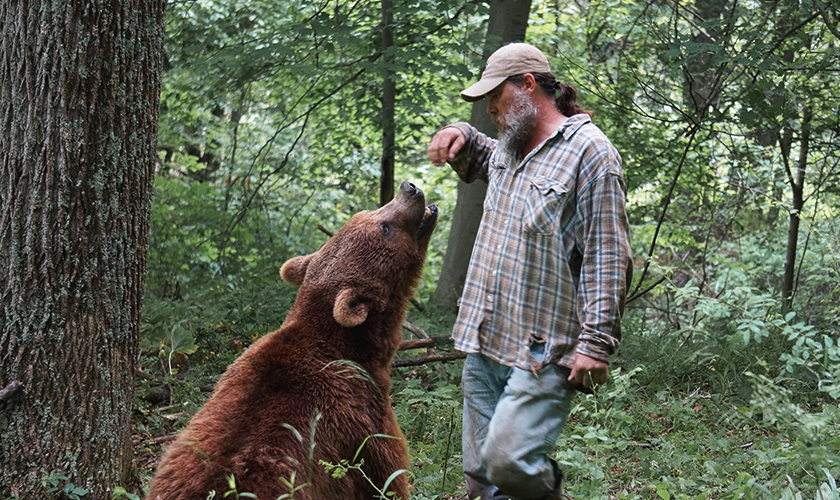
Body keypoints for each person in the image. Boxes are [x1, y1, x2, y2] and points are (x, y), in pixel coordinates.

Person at [427, 43, 633, 500]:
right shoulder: (511, 144)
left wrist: (596, 344)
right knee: (481, 478)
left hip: (542, 350)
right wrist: (457, 131)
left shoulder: (591, 154)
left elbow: (607, 254)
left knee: (508, 464)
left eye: (494, 96)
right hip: (486, 340)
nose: (490, 108)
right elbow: (481, 153)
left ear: (527, 84)